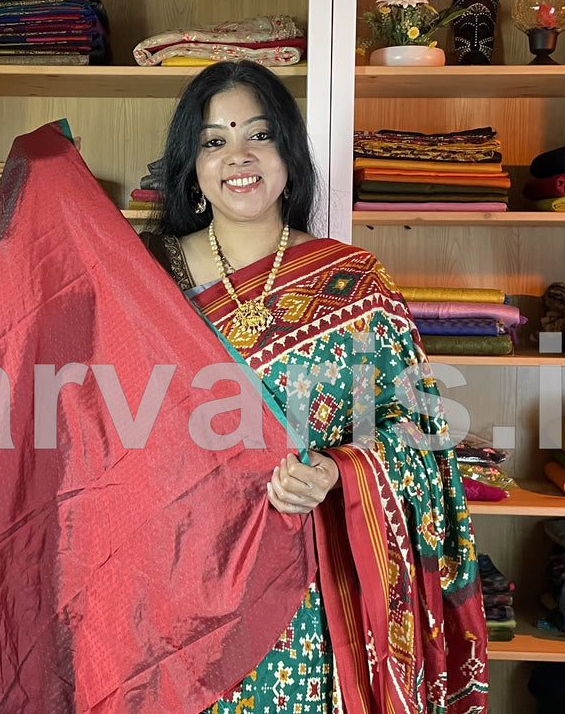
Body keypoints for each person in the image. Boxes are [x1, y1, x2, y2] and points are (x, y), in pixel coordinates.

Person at [141, 60, 490, 713]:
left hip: (311, 590)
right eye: (213, 140)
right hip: (179, 587)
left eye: (258, 134)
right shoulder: (149, 278)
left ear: (288, 153)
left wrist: (337, 471)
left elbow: (419, 434)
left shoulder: (354, 283)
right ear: (191, 166)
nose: (237, 156)